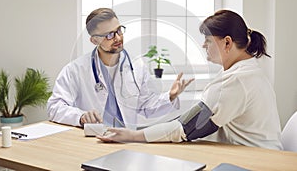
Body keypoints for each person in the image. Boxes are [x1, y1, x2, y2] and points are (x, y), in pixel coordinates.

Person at [97, 9, 283, 150]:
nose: (204, 45)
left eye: (208, 40)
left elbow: (186, 128)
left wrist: (132, 136)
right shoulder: (247, 72)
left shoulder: (237, 80)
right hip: (256, 153)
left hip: (258, 160)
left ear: (227, 42)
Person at [47, 8, 194, 128]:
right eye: (109, 35)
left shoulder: (137, 68)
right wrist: (80, 117)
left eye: (119, 30)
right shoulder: (75, 70)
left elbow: (147, 107)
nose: (118, 38)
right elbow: (54, 107)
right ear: (94, 40)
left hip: (126, 140)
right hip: (91, 141)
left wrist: (170, 96)